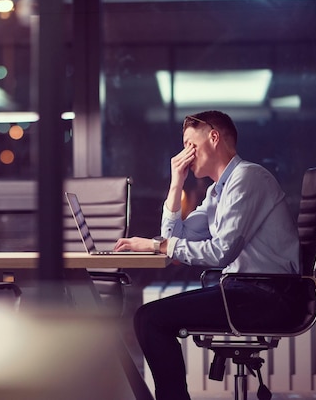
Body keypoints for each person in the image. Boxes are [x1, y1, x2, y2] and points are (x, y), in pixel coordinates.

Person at [113, 110, 300, 400]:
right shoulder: (218, 191)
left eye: (190, 144)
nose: (185, 153)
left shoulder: (247, 178)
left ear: (214, 137)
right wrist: (176, 183)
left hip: (269, 295)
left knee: (150, 319)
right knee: (147, 317)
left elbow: (221, 252)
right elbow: (174, 237)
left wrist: (156, 246)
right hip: (245, 290)